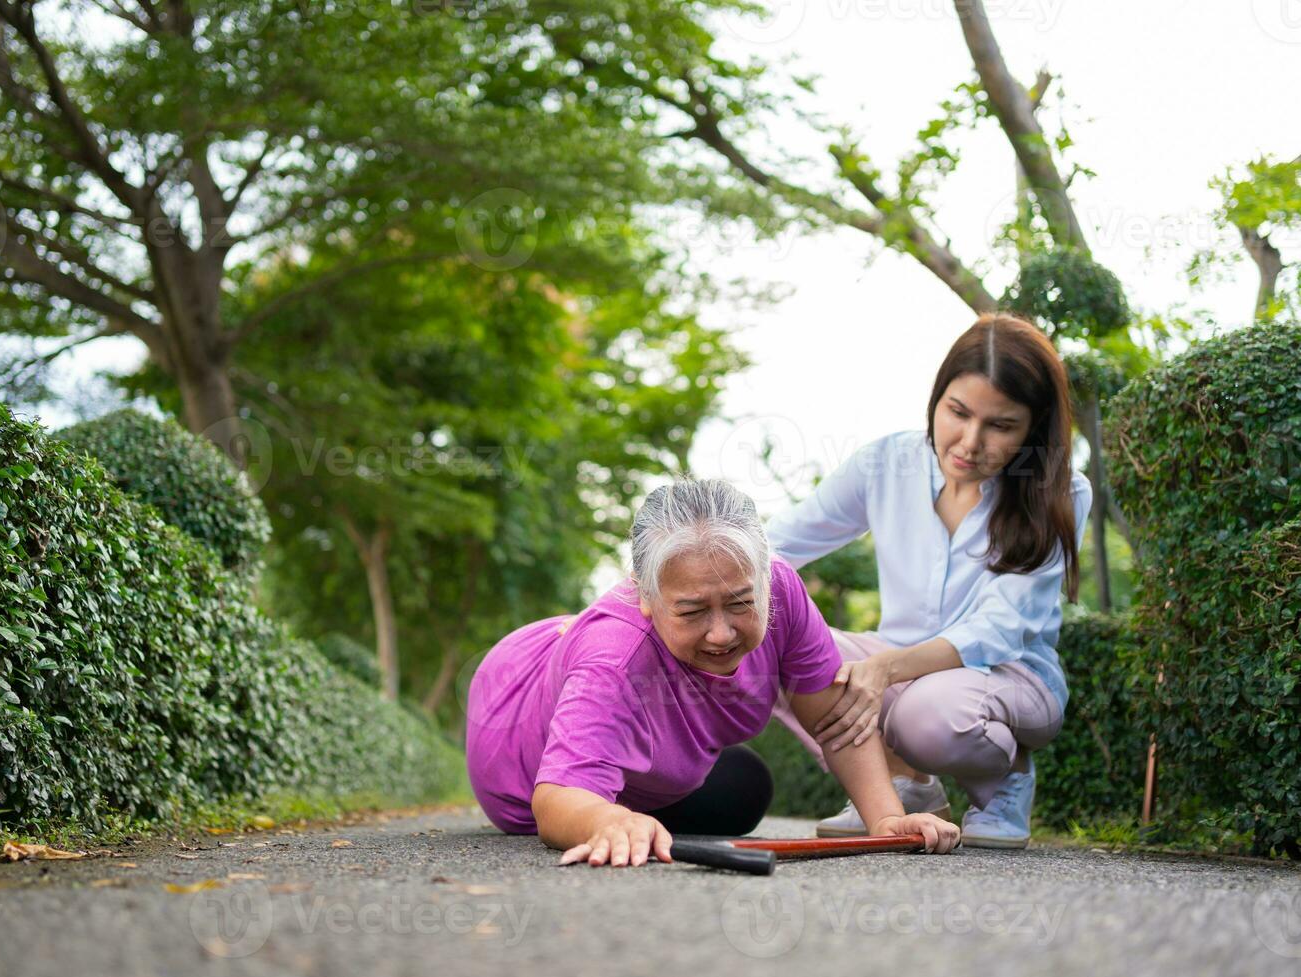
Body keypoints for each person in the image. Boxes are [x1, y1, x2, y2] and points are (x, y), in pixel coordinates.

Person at [465, 478, 961, 868]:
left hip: (616, 706)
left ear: (765, 579)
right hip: (514, 738)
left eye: (742, 603)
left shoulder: (781, 589)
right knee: (611, 810)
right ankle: (618, 794)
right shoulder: (612, 663)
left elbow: (836, 720)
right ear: (644, 595)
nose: (722, 634)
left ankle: (631, 790)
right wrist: (607, 820)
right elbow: (557, 799)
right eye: (692, 611)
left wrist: (888, 820)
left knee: (745, 791)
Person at [767, 313, 1093, 849]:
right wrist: (661, 583)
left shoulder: (1062, 492)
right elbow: (777, 545)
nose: (969, 442)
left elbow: (1000, 629)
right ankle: (904, 786)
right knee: (769, 638)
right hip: (897, 663)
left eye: (1001, 426)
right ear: (937, 396)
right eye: (957, 412)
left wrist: (884, 669)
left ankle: (1004, 781)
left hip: (1009, 675)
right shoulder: (886, 463)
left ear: (1032, 429)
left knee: (928, 715)